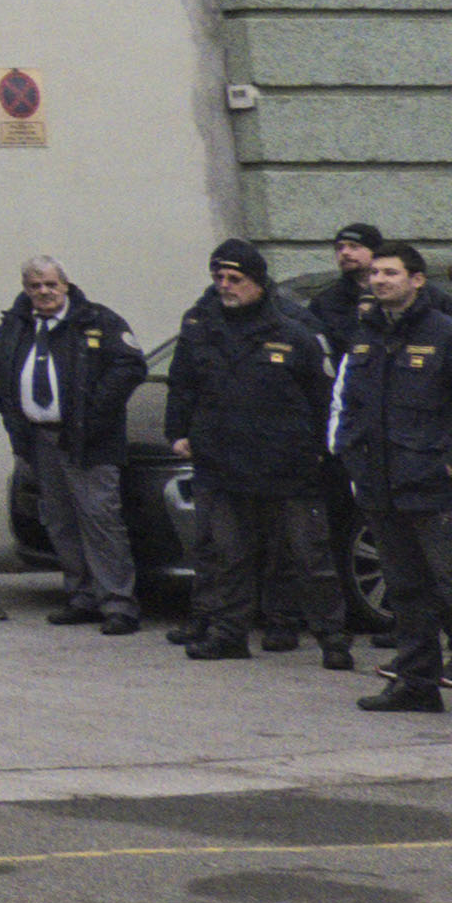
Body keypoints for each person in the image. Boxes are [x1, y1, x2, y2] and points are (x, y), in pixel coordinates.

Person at [333, 240, 452, 723]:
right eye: (375, 273)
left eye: (390, 273)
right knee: (405, 591)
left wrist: (451, 464)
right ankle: (416, 682)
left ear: (417, 280)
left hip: (434, 490)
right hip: (380, 487)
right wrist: (354, 454)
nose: (379, 280)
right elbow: (351, 405)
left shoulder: (448, 336)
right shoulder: (365, 336)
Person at [166, 245, 344, 667]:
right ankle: (229, 635)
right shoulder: (201, 329)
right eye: (219, 278)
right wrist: (178, 433)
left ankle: (333, 639)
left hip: (287, 465)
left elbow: (323, 399)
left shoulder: (293, 333)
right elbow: (183, 385)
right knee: (228, 556)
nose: (225, 287)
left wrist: (319, 451)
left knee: (309, 558)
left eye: (235, 279)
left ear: (258, 284)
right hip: (223, 462)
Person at [0, 261, 151, 634]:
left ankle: (118, 605)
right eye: (34, 286)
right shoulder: (15, 325)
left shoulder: (98, 320)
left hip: (89, 440)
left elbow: (129, 366)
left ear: (65, 285)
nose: (43, 292)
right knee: (61, 522)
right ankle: (82, 597)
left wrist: (93, 412)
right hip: (38, 440)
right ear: (25, 289)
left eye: (50, 284)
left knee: (100, 521)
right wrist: (12, 410)